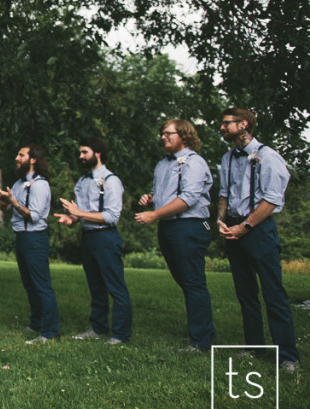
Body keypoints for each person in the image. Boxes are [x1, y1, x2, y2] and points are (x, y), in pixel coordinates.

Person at [216, 108, 300, 372]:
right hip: (233, 229)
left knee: (273, 293)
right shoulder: (227, 158)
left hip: (259, 230)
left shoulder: (267, 156)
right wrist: (220, 219)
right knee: (245, 292)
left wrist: (246, 226)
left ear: (243, 125)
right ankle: (255, 346)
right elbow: (224, 194)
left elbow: (273, 199)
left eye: (226, 123)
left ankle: (288, 356)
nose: (221, 127)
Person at [135, 119, 215, 351]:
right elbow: (162, 192)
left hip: (188, 227)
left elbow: (188, 199)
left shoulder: (194, 163)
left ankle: (200, 342)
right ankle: (205, 331)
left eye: (168, 133)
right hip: (169, 227)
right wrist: (149, 198)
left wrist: (154, 214)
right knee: (185, 281)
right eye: (162, 133)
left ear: (185, 136)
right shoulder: (162, 164)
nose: (163, 137)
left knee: (192, 282)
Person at [55, 137, 132, 345]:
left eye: (84, 152)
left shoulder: (111, 180)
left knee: (115, 286)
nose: (80, 156)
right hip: (88, 237)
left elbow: (111, 216)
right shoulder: (82, 181)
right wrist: (71, 218)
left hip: (106, 236)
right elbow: (82, 214)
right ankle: (97, 328)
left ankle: (120, 334)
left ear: (97, 153)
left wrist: (79, 213)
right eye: (80, 152)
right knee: (95, 286)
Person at [0, 145, 59, 344]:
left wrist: (13, 200)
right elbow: (10, 208)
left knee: (41, 284)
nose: (16, 157)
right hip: (21, 237)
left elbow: (34, 216)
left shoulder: (40, 185)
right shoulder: (19, 184)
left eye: (21, 155)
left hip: (35, 238)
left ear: (33, 159)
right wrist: (4, 202)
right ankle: (36, 322)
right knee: (29, 284)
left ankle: (49, 331)